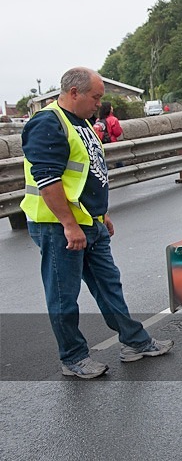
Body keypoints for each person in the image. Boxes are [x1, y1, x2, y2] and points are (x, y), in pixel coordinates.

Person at [20, 67, 173, 379]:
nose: (98, 104)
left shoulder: (82, 122)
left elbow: (88, 173)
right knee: (63, 294)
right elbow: (47, 180)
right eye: (95, 97)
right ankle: (73, 357)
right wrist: (69, 225)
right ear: (74, 93)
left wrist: (101, 213)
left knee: (108, 284)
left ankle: (134, 341)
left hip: (89, 222)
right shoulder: (48, 123)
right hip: (59, 227)